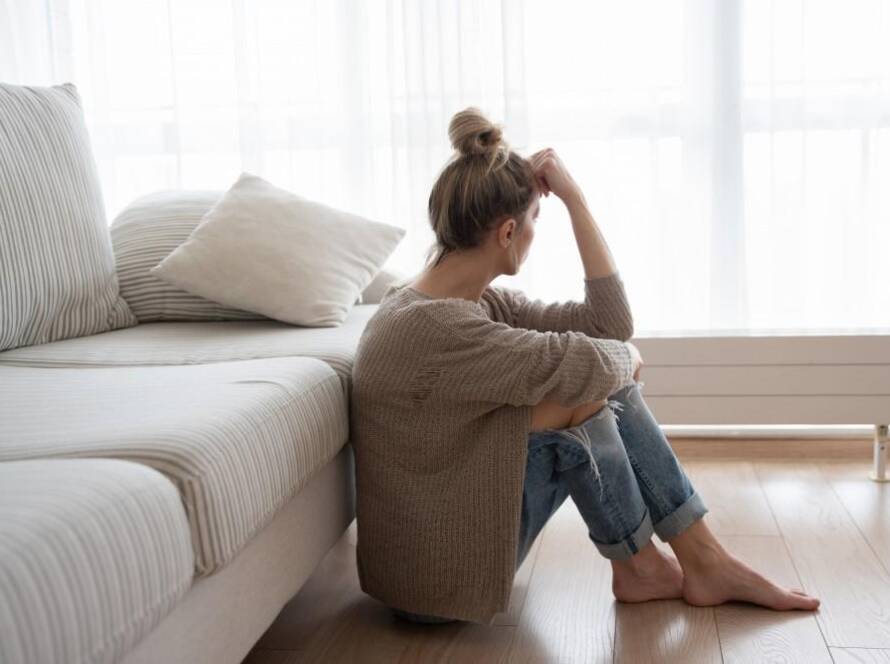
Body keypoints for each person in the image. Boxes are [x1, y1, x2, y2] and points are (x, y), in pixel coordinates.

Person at [349, 107, 820, 625]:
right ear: (507, 233)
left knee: (590, 384)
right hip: (438, 582)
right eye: (534, 221)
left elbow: (608, 322)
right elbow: (603, 358)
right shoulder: (441, 331)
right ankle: (685, 562)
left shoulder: (461, 305)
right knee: (589, 391)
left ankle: (657, 566)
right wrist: (629, 360)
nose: (534, 234)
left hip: (428, 560)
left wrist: (576, 202)